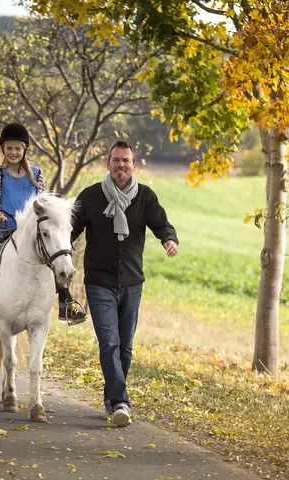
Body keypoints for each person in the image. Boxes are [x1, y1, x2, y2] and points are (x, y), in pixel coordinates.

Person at [62, 140, 178, 427]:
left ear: (134, 166)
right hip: (99, 281)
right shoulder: (90, 197)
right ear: (108, 164)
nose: (121, 165)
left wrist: (169, 239)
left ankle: (111, 397)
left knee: (125, 347)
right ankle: (121, 402)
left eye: (126, 161)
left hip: (132, 282)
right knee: (109, 343)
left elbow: (161, 224)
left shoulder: (145, 197)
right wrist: (57, 257)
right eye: (116, 160)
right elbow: (69, 231)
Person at [0, 122, 85, 324]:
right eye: (9, 148)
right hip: (1, 228)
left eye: (17, 148)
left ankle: (65, 303)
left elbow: (41, 202)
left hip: (29, 232)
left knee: (57, 257)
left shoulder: (36, 174)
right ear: (3, 149)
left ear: (24, 149)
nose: (13, 152)